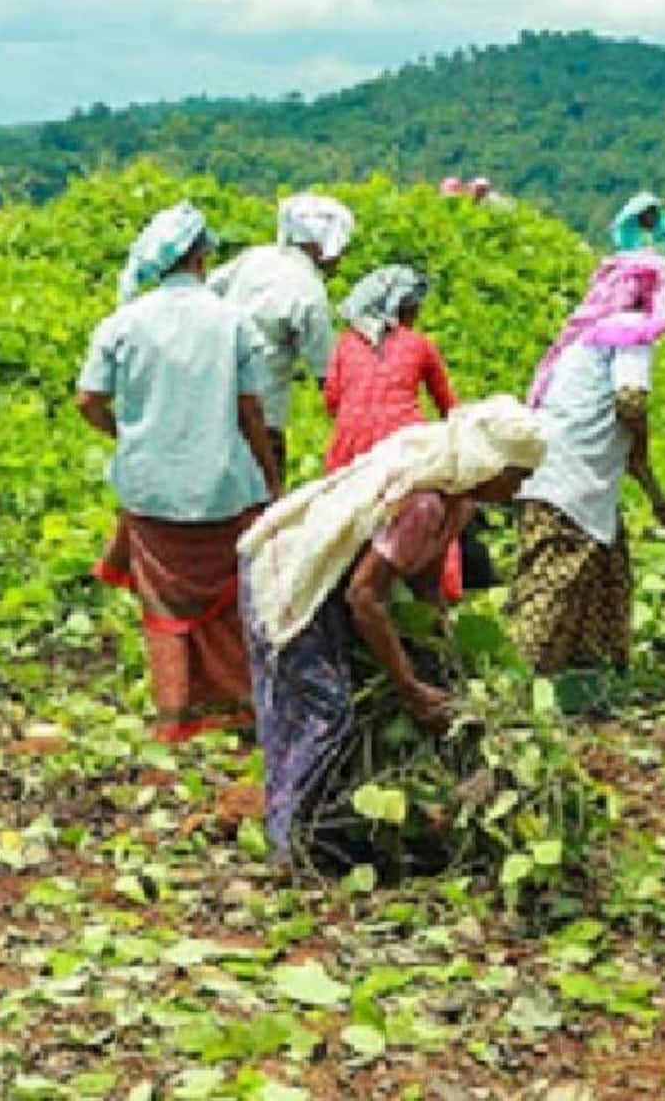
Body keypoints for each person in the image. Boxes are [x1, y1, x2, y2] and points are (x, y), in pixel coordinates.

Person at [241, 398, 547, 871]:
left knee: (408, 679)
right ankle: (292, 842)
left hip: (343, 586)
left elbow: (424, 581)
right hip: (295, 581)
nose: (518, 490)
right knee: (324, 710)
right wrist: (409, 687)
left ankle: (347, 824)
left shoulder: (458, 501)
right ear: (491, 465)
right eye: (517, 477)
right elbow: (366, 598)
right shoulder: (423, 503)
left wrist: (444, 652)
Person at [78, 204, 280, 742]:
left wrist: (128, 436)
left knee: (165, 606)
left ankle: (175, 716)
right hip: (222, 487)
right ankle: (237, 711)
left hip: (150, 491)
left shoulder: (123, 323)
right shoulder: (231, 320)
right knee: (230, 604)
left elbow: (89, 399)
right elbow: (250, 411)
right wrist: (270, 476)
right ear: (198, 256)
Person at [510, 252, 665, 681]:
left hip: (551, 472)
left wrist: (651, 486)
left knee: (606, 568)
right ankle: (521, 682)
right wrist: (642, 456)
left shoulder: (585, 340)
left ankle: (591, 673)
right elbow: (630, 401)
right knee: (552, 584)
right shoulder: (630, 336)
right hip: (575, 479)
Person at [210, 194, 353, 479]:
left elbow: (206, 290)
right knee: (264, 507)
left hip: (210, 402)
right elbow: (327, 374)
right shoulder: (309, 292)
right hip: (261, 420)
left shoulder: (255, 257)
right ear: (319, 245)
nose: (342, 255)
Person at [322, 266, 456, 472]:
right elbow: (448, 406)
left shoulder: (346, 343)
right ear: (403, 309)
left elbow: (331, 402)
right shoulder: (419, 344)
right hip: (404, 446)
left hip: (348, 450)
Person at [610, 193, 665, 258]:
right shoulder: (627, 225)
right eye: (648, 213)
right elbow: (626, 251)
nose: (652, 217)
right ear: (641, 214)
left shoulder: (660, 221)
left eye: (653, 212)